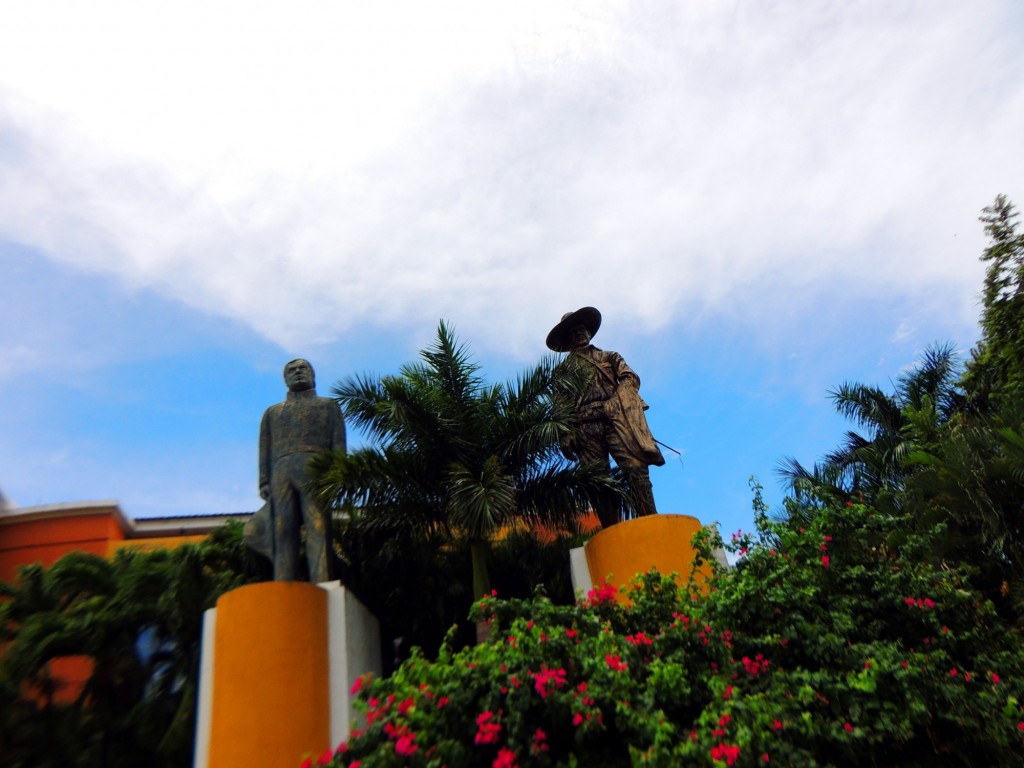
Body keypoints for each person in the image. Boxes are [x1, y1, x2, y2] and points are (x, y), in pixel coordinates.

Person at [546, 307, 664, 527]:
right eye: (574, 332)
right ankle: (612, 529)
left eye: (582, 330)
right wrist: (565, 434)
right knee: (598, 481)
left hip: (615, 420)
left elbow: (630, 377)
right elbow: (560, 404)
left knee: (635, 467)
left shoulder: (609, 356)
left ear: (589, 333)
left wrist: (619, 397)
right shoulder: (562, 372)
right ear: (568, 339)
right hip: (585, 427)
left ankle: (650, 520)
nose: (580, 334)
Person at [257, 358, 346, 582]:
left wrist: (338, 474)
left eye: (302, 368)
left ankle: (322, 582)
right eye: (291, 370)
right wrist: (264, 481)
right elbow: (264, 449)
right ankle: (283, 583)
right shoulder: (272, 412)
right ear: (285, 379)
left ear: (312, 375)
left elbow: (338, 443)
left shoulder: (328, 406)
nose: (297, 372)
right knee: (282, 530)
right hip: (281, 472)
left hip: (316, 468)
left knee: (318, 526)